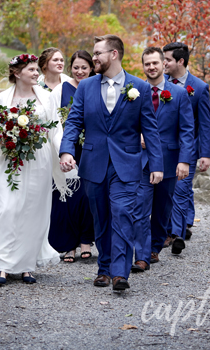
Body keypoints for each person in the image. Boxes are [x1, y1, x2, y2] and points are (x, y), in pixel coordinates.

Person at [59, 34, 163, 291]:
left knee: (122, 214)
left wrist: (157, 164)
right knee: (101, 218)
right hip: (94, 162)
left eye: (98, 53)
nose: (93, 58)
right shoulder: (85, 87)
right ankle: (103, 269)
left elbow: (150, 129)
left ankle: (119, 273)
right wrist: (66, 151)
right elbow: (73, 122)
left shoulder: (140, 87)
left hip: (127, 164)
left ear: (114, 54)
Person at [0, 53, 76, 286]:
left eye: (37, 70)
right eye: (31, 70)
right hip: (12, 158)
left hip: (39, 160)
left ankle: (27, 265)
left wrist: (63, 154)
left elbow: (55, 129)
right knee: (5, 208)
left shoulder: (47, 98)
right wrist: (6, 137)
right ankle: (1, 265)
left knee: (32, 210)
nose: (36, 73)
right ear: (17, 73)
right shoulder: (2, 98)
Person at [131, 47, 195, 272]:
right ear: (143, 66)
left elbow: (187, 130)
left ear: (163, 64)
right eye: (147, 64)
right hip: (142, 160)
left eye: (155, 63)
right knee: (139, 207)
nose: (151, 67)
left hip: (169, 159)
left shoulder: (178, 94)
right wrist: (136, 135)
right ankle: (141, 255)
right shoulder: (135, 91)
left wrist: (185, 160)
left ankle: (155, 247)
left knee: (162, 209)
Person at [163, 41, 210, 255]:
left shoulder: (199, 88)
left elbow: (205, 124)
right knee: (166, 191)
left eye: (167, 59)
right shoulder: (159, 83)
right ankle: (168, 229)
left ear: (180, 61)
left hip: (187, 148)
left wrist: (205, 155)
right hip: (163, 148)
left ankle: (176, 234)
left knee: (181, 191)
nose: (162, 63)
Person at [47, 50, 96, 263]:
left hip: (91, 147)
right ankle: (69, 245)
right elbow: (53, 118)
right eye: (76, 67)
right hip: (67, 146)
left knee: (87, 195)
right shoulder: (61, 89)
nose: (79, 71)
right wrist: (62, 146)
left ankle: (86, 240)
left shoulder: (96, 86)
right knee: (66, 195)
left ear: (91, 68)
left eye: (84, 67)